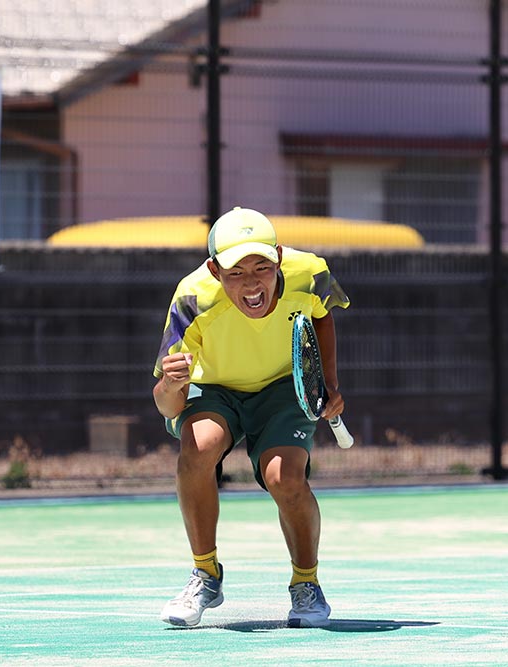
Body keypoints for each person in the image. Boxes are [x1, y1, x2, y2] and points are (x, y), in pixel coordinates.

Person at [152, 206, 350, 628]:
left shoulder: (309, 273)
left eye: (262, 267)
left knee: (285, 478)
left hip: (282, 386)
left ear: (278, 258)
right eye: (236, 273)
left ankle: (306, 582)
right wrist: (170, 385)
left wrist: (327, 383)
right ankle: (206, 574)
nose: (252, 282)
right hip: (214, 388)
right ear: (214, 271)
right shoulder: (192, 298)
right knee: (198, 448)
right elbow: (168, 407)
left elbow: (322, 315)